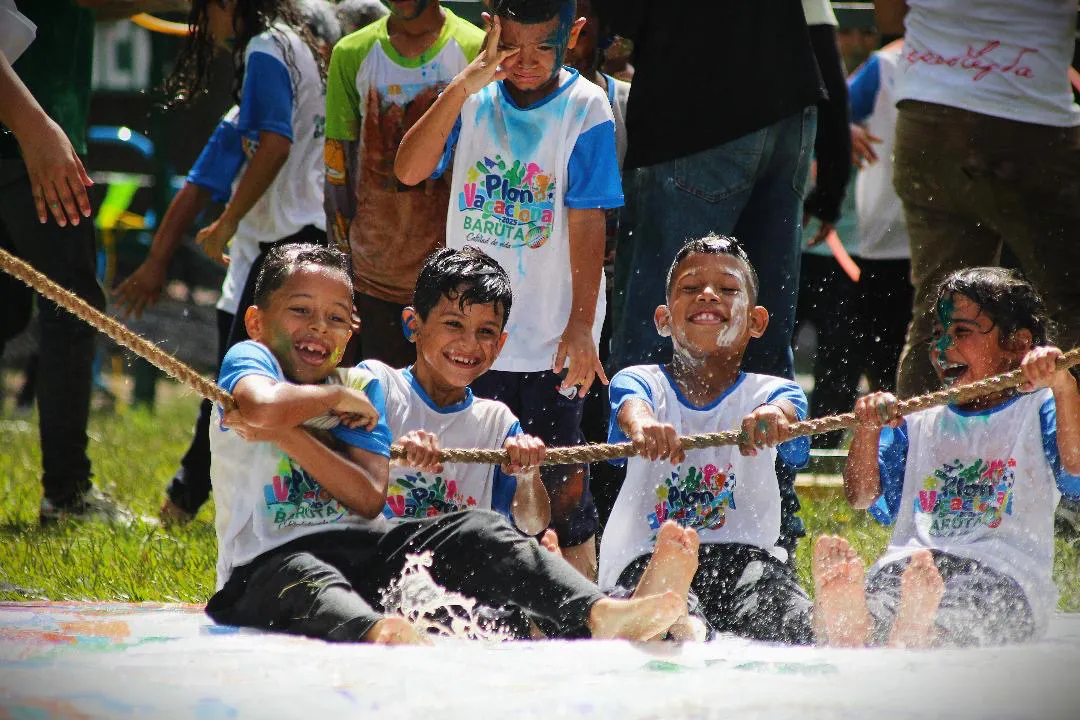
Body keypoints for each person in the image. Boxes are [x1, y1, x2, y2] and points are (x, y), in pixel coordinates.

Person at [205, 241, 685, 644]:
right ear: (256, 322)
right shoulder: (276, 364)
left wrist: (526, 475)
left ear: (351, 332)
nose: (317, 328)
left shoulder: (363, 392)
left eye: (334, 318)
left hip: (373, 565)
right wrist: (315, 406)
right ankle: (384, 638)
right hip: (263, 573)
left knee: (479, 530)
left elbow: (369, 498)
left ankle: (603, 613)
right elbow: (262, 406)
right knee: (306, 574)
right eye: (300, 311)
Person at [394, 0, 623, 578]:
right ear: (491, 29)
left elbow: (588, 217)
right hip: (469, 340)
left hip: (550, 338)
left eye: (543, 47)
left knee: (562, 480)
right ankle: (477, 592)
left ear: (573, 35)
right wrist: (468, 81)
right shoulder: (472, 99)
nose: (524, 63)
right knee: (470, 475)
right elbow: (408, 169)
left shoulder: (585, 106)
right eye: (511, 46)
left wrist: (580, 325)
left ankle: (581, 602)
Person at [117, 0, 338, 523]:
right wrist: (156, 261)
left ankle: (192, 503)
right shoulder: (297, 50)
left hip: (278, 247)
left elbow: (277, 143)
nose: (205, 24)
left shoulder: (265, 47)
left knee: (239, 385)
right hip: (301, 241)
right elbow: (199, 184)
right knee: (259, 386)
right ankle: (193, 499)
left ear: (228, 4)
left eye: (205, 10)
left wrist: (229, 221)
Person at [814, 267, 1080, 648]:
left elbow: (1076, 470)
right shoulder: (917, 421)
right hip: (908, 566)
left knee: (963, 618)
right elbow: (862, 498)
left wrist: (1063, 385)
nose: (942, 350)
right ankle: (860, 625)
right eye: (937, 335)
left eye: (961, 333)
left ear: (1018, 345)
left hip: (1000, 573)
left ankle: (918, 633)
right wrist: (867, 431)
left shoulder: (1040, 408)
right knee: (879, 603)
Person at [0, 0, 189, 524]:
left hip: (29, 138)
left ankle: (66, 492)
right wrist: (35, 129)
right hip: (27, 145)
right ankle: (67, 494)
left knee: (10, 310)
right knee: (72, 311)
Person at [600, 235, 816, 644]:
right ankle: (673, 615)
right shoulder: (642, 381)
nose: (708, 296)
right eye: (690, 288)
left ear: (756, 322)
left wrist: (771, 420)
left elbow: (785, 413)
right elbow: (633, 408)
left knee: (783, 615)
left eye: (729, 289)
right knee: (662, 607)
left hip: (746, 560)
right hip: (648, 557)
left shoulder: (774, 393)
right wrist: (645, 427)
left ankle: (825, 625)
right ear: (664, 320)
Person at [871, 0, 1080, 398]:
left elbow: (888, 17)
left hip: (927, 117)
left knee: (940, 309)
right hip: (1031, 119)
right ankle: (1069, 447)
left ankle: (916, 453)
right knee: (1071, 302)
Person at [324, 0, 483, 368]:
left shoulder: (474, 49)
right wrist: (341, 273)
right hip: (373, 280)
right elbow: (337, 170)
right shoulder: (352, 53)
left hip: (454, 282)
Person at [797, 38, 913, 449]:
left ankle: (827, 450)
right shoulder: (796, 110)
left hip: (853, 253)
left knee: (841, 360)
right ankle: (785, 449)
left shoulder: (873, 84)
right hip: (798, 251)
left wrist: (841, 133)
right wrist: (837, 135)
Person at [563, 0, 629, 522]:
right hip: (540, 279)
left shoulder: (619, 102)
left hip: (609, 282)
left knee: (599, 403)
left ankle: (601, 515)